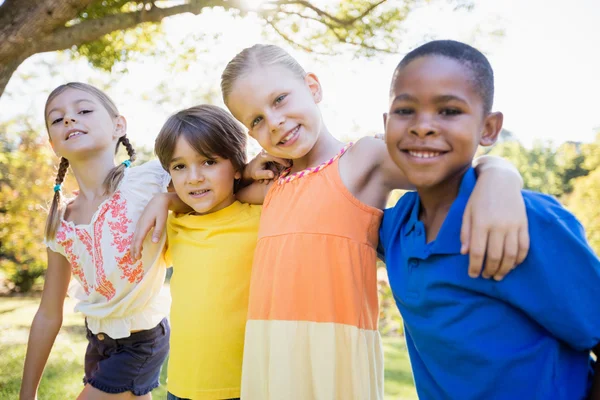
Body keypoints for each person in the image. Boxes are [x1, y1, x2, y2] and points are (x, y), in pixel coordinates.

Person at [132, 43, 529, 400]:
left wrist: (499, 175)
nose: (274, 122)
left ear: (314, 87)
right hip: (269, 354)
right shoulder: (275, 185)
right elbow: (215, 195)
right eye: (255, 120)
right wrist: (168, 197)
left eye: (281, 99)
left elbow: (448, 166)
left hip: (333, 355)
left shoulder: (364, 160)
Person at [378, 39, 600, 400]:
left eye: (449, 111)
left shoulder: (529, 221)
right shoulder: (395, 226)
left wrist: (498, 170)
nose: (423, 126)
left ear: (489, 128)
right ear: (387, 123)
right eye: (405, 111)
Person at [20, 82, 171, 399]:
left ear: (119, 125)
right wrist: (27, 393)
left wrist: (169, 200)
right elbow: (49, 312)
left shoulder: (150, 180)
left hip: (142, 340)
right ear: (52, 144)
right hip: (98, 341)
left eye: (84, 110)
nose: (70, 120)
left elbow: (210, 180)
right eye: (57, 119)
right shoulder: (61, 224)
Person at [153, 105, 262, 400]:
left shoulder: (261, 217)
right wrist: (164, 200)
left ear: (238, 164)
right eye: (179, 167)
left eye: (209, 162)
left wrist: (251, 174)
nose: (194, 177)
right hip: (182, 386)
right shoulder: (174, 223)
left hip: (246, 386)